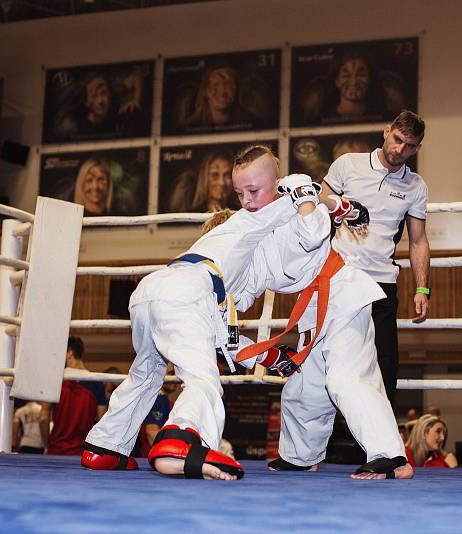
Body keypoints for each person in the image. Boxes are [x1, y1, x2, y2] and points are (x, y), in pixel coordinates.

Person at [81, 165, 311, 480]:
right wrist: (313, 193)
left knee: (146, 374)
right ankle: (180, 439)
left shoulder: (208, 266)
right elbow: (274, 209)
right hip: (184, 296)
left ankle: (104, 447)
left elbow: (227, 339)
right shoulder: (239, 230)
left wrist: (272, 356)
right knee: (202, 380)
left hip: (150, 291)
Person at [228, 145, 412, 480]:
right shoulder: (256, 236)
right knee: (304, 386)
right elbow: (246, 290)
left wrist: (309, 196)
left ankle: (392, 457)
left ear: (278, 182)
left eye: (254, 190)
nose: (247, 200)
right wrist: (221, 299)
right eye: (239, 193)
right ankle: (301, 456)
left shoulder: (294, 196)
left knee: (347, 377)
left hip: (343, 293)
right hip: (314, 308)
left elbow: (314, 233)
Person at [318, 110, 430, 401]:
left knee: (384, 371)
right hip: (340, 278)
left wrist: (422, 288)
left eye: (409, 145)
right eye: (397, 139)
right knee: (330, 365)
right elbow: (317, 205)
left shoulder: (415, 186)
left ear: (417, 148)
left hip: (382, 284)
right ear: (386, 131)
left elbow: (418, 240)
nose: (399, 149)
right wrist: (340, 207)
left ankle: (375, 447)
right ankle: (330, 445)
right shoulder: (349, 164)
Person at [40, 336, 107, 456]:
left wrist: (46, 444)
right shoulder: (97, 383)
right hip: (84, 452)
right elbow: (102, 420)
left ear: (69, 353)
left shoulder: (54, 380)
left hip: (57, 450)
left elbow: (43, 418)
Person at [168, 151, 240, 213]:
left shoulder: (240, 213)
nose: (222, 183)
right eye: (215, 175)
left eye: (227, 175)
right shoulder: (193, 215)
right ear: (204, 178)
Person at [183, 64, 252, 128]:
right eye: (216, 85)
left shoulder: (251, 123)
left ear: (237, 90)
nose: (222, 92)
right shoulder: (188, 127)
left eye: (228, 85)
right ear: (205, 91)